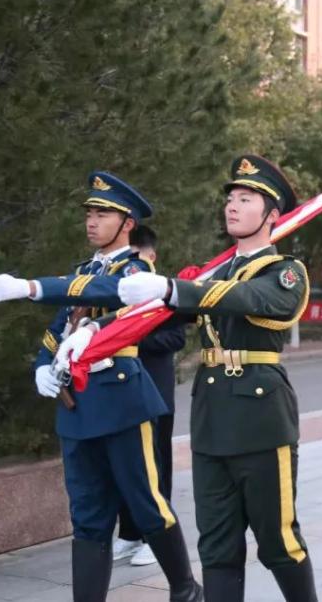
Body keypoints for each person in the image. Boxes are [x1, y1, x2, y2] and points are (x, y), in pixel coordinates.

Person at [0, 173, 201, 602]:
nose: (91, 221)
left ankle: (186, 590)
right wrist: (42, 366)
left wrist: (30, 287)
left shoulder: (135, 270)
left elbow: (104, 292)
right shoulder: (83, 270)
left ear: (128, 223)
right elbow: (59, 325)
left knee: (146, 503)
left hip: (121, 401)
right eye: (89, 213)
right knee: (87, 515)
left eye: (103, 214)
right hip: (77, 406)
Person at [112, 155, 317, 601]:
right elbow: (154, 318)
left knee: (278, 542)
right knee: (217, 547)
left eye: (246, 199)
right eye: (231, 198)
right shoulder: (212, 274)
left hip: (261, 421)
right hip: (211, 422)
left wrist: (174, 288)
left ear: (272, 215)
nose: (233, 206)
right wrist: (96, 328)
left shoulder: (284, 271)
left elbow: (250, 298)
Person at [114, 225, 188, 567]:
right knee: (124, 465)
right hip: (120, 392)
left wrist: (132, 338)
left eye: (137, 258)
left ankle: (156, 536)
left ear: (151, 256)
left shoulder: (163, 293)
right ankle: (129, 533)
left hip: (155, 392)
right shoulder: (116, 289)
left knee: (156, 466)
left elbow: (176, 339)